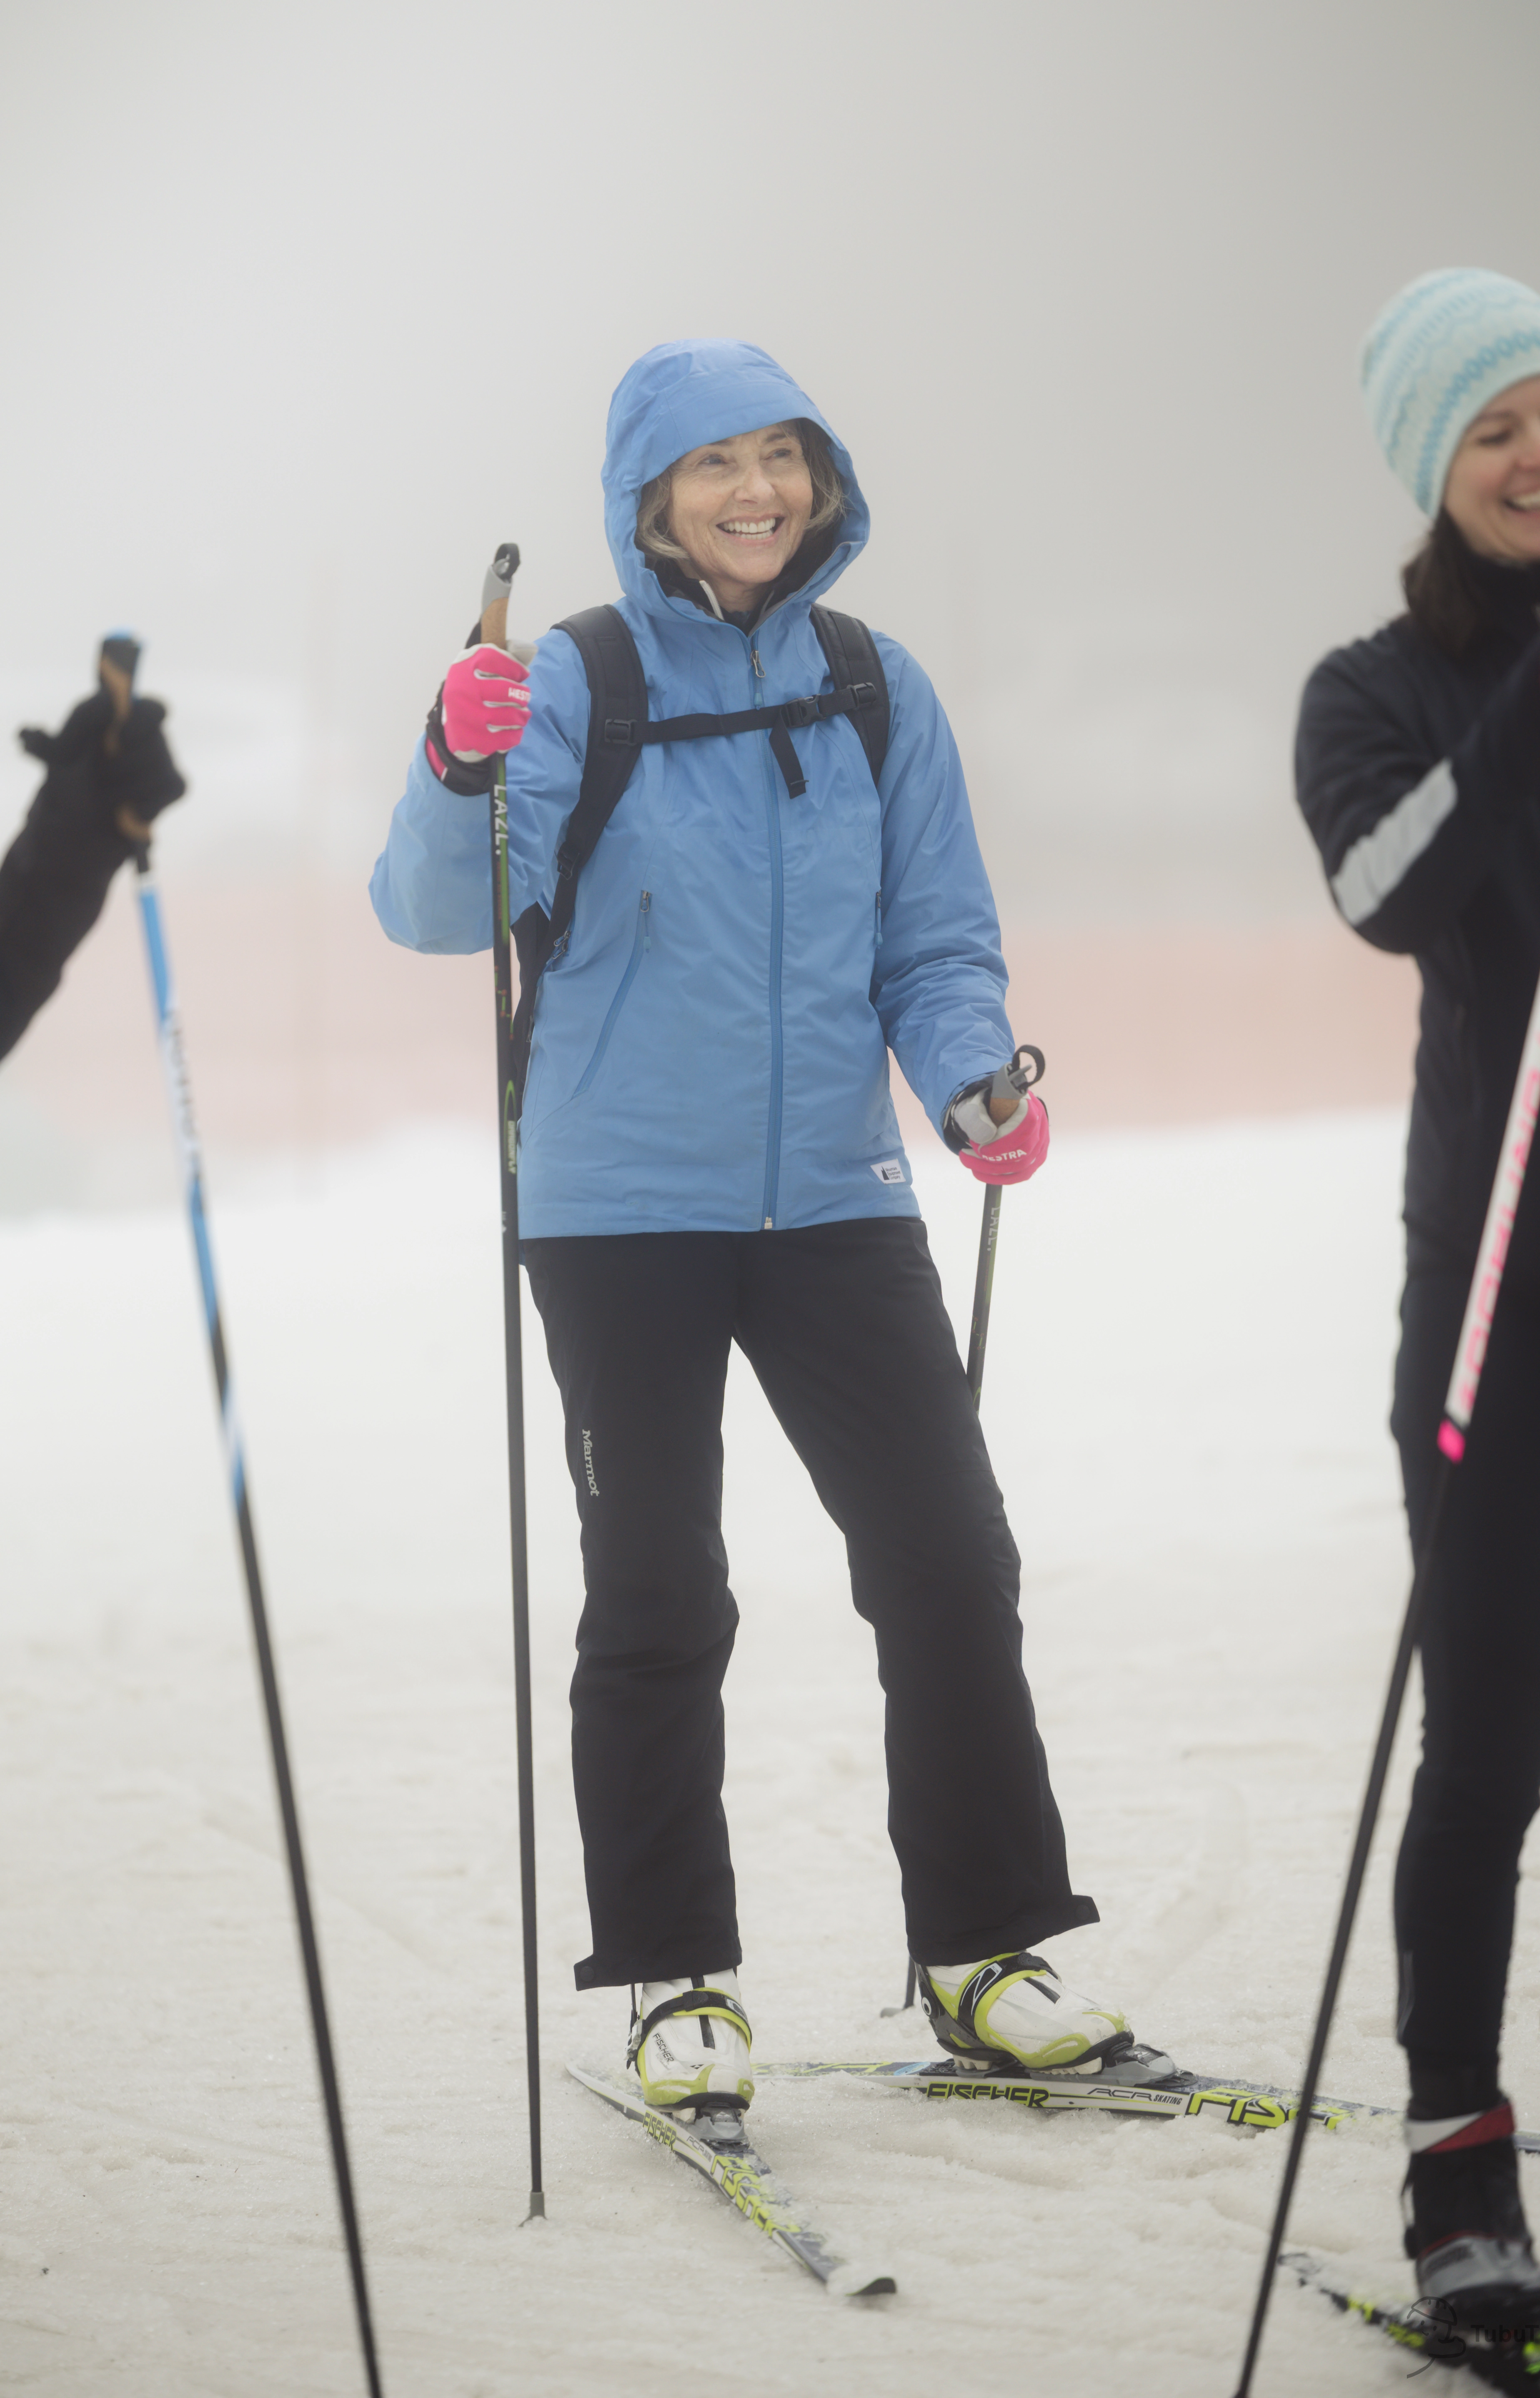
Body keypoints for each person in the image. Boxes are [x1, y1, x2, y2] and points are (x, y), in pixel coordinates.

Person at [371, 338, 1140, 2113]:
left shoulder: (875, 686)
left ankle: (982, 1952)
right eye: (716, 465)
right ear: (652, 499)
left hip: (835, 1202)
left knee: (949, 1559)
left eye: (781, 457)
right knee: (657, 1593)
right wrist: (452, 757)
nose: (757, 493)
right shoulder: (574, 677)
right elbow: (439, 907)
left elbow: (935, 943)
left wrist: (970, 1089)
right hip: (616, 1209)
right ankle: (671, 1980)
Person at [1296, 268, 1540, 2343]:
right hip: (1508, 1288)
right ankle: (1458, 2171)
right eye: (1497, 427)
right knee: (1484, 1740)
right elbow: (1387, 887)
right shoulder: (1376, 685)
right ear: (1438, 466)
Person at [0, 636, 184, 1061]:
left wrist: (140, 817)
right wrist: (41, 745)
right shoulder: (91, 715)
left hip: (60, 901)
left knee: (15, 990)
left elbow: (168, 786)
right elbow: (63, 753)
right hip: (23, 872)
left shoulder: (140, 732)